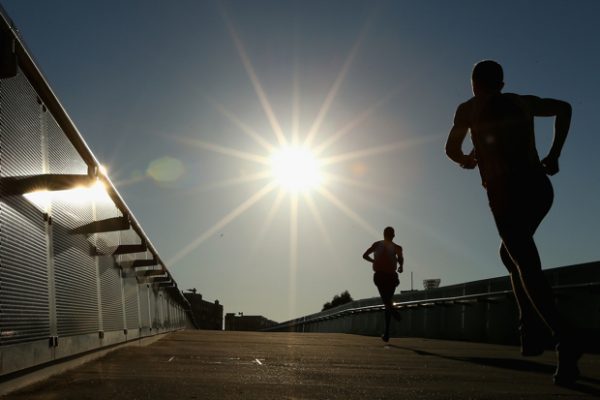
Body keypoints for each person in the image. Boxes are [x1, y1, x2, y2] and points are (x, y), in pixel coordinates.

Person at [445, 60, 579, 385]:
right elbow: (564, 108)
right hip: (539, 188)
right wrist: (555, 153)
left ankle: (565, 339)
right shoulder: (522, 101)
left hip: (505, 193)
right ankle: (530, 326)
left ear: (473, 83)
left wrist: (468, 159)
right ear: (501, 84)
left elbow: (451, 148)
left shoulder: (468, 108)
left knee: (525, 262)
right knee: (512, 255)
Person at [362, 226, 404, 342]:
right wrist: (401, 266)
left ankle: (386, 332)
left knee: (386, 302)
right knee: (388, 302)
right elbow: (400, 259)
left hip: (380, 276)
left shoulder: (377, 244)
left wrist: (374, 261)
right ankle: (387, 331)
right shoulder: (397, 247)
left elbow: (364, 255)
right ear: (393, 235)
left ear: (384, 235)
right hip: (391, 276)